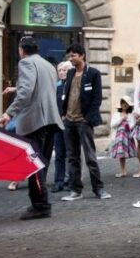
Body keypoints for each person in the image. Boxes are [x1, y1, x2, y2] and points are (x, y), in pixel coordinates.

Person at [0, 37, 63, 220]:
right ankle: (42, 204)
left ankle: (41, 206)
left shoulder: (26, 62)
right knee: (41, 164)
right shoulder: (48, 65)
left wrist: (9, 113)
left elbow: (27, 91)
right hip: (50, 120)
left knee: (33, 166)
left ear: (21, 50)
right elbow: (38, 88)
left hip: (35, 121)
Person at [59, 43, 110, 201]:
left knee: (90, 157)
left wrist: (87, 118)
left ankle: (99, 189)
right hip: (69, 121)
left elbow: (97, 98)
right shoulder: (70, 74)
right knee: (72, 157)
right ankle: (75, 190)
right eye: (69, 56)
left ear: (82, 55)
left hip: (83, 121)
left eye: (73, 55)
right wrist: (63, 114)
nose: (70, 59)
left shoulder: (93, 73)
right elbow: (66, 95)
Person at [51, 61, 73, 193]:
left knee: (71, 155)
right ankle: (58, 181)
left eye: (65, 70)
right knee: (59, 154)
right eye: (60, 70)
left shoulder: (73, 86)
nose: (62, 72)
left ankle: (71, 180)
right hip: (58, 124)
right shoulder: (56, 88)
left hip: (70, 124)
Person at [110, 95, 135, 178]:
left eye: (126, 103)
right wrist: (121, 119)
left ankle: (125, 170)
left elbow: (132, 126)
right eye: (123, 103)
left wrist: (127, 121)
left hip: (127, 137)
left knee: (125, 153)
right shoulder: (117, 114)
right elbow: (112, 125)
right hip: (119, 137)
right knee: (120, 154)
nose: (124, 105)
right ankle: (122, 170)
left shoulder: (131, 115)